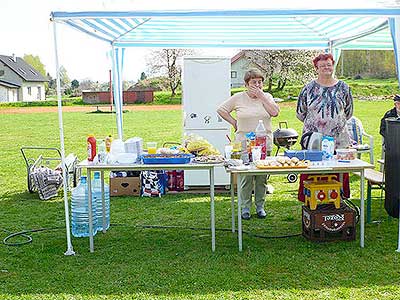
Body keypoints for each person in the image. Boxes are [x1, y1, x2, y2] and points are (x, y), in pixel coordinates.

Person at [217, 68, 280, 219]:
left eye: (260, 82)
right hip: (244, 143)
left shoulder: (267, 97)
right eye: (254, 82)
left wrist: (262, 97)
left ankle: (260, 206)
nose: (257, 85)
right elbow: (221, 110)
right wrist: (234, 122)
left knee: (261, 177)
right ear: (246, 84)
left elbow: (275, 112)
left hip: (264, 143)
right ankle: (245, 207)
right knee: (245, 177)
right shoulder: (238, 97)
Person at [296, 53, 353, 201]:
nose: (326, 68)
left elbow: (348, 112)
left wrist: (334, 123)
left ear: (333, 65)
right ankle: (312, 201)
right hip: (313, 140)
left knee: (338, 171)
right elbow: (300, 113)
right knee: (313, 171)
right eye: (322, 65)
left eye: (329, 64)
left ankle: (339, 202)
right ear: (316, 68)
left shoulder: (344, 87)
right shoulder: (308, 88)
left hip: (339, 140)